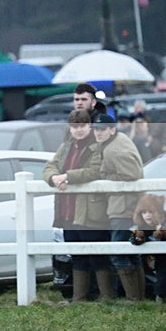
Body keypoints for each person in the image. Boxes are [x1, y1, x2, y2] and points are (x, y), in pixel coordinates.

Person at [43, 110, 110, 302]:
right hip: (68, 210)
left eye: (82, 126)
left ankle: (105, 296)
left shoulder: (97, 147)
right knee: (77, 255)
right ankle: (80, 297)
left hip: (91, 210)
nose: (78, 130)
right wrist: (54, 177)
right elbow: (50, 166)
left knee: (97, 254)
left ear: (89, 126)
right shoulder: (66, 147)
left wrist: (67, 176)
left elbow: (94, 171)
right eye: (74, 126)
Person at [93, 113, 145, 301]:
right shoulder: (118, 140)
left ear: (112, 130)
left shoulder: (114, 149)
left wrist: (105, 177)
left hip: (122, 207)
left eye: (102, 129)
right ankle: (138, 297)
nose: (98, 133)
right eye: (96, 129)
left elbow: (132, 174)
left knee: (118, 252)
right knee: (132, 252)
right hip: (128, 205)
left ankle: (134, 298)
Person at [130, 194, 166, 303]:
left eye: (150, 212)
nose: (147, 215)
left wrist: (162, 232)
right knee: (160, 280)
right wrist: (138, 237)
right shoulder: (141, 227)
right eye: (144, 212)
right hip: (156, 261)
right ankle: (159, 298)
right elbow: (134, 240)